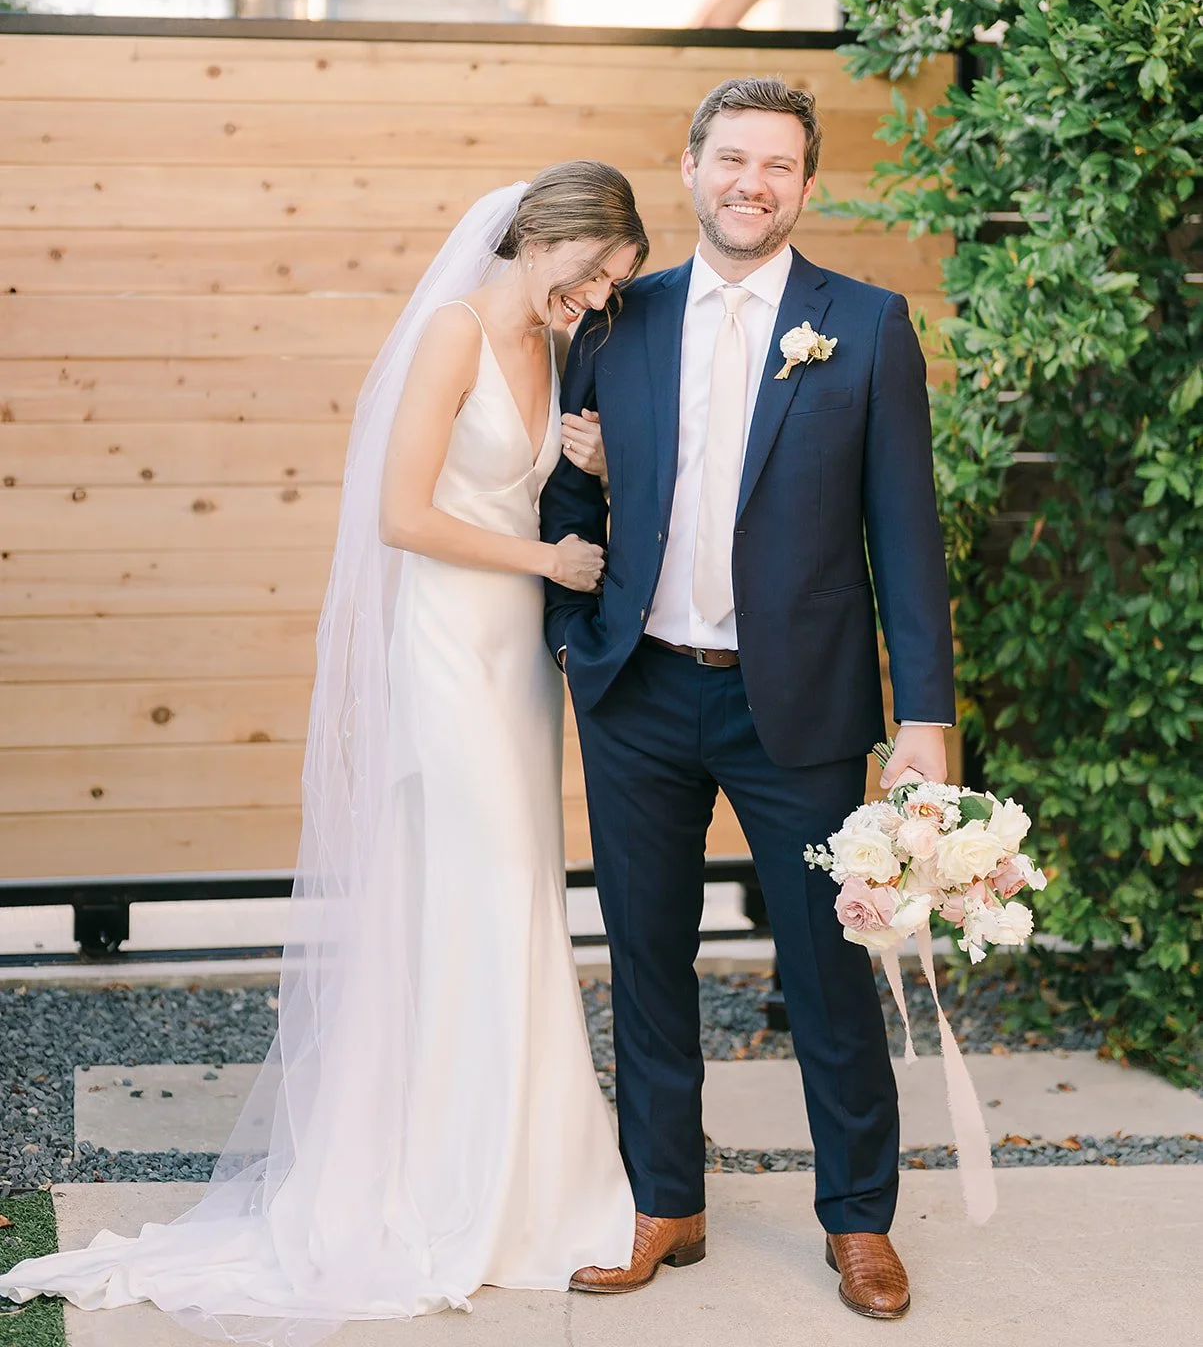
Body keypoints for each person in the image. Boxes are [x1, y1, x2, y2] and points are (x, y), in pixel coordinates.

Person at [0, 163, 648, 1344]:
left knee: (512, 897)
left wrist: (585, 469)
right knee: (479, 887)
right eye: (596, 270)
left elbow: (514, 484)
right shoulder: (453, 334)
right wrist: (548, 564)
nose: (603, 296)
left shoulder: (552, 351)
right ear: (545, 236)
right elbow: (405, 515)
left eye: (615, 283)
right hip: (452, 646)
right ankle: (449, 1184)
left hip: (514, 660)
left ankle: (522, 1174)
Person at [541, 78, 956, 1322]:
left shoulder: (867, 325)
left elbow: (907, 538)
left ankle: (860, 1221)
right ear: (690, 167)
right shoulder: (620, 320)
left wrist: (923, 716)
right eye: (732, 158)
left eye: (778, 166)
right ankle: (666, 1199)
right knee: (648, 959)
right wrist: (579, 641)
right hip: (641, 691)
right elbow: (569, 505)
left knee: (831, 974)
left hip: (807, 710)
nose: (751, 183)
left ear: (807, 188)